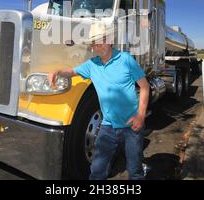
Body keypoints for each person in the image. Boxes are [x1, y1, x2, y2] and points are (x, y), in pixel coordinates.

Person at [48, 22, 150, 180]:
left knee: (134, 171)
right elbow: (72, 72)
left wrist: (141, 115)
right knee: (97, 171)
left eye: (101, 41)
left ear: (109, 40)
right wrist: (57, 71)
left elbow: (144, 87)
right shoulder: (92, 65)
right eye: (94, 43)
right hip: (108, 126)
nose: (98, 46)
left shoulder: (126, 59)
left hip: (132, 126)